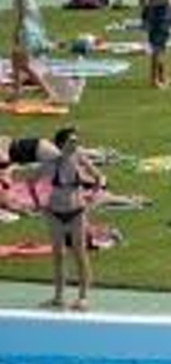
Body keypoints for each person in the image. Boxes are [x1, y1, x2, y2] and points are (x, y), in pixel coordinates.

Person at [39, 126, 103, 312]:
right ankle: (58, 297)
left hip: (76, 212)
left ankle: (83, 297)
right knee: (58, 256)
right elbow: (31, 180)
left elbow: (98, 177)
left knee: (80, 253)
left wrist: (91, 199)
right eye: (71, 141)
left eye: (76, 141)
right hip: (54, 213)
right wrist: (38, 204)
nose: (75, 144)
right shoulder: (52, 162)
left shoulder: (80, 158)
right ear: (61, 144)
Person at [4, 0, 58, 101]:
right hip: (29, 27)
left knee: (23, 64)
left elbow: (22, 11)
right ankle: (17, 92)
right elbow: (32, 11)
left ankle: (48, 92)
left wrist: (16, 30)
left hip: (25, 28)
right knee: (16, 61)